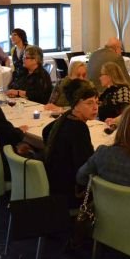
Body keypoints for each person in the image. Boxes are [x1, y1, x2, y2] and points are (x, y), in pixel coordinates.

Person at [42, 79, 98, 208]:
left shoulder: (65, 117)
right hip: (69, 194)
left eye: (97, 102)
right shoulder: (79, 128)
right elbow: (85, 168)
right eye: (89, 103)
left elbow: (45, 131)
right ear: (76, 105)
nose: (95, 107)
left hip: (53, 184)